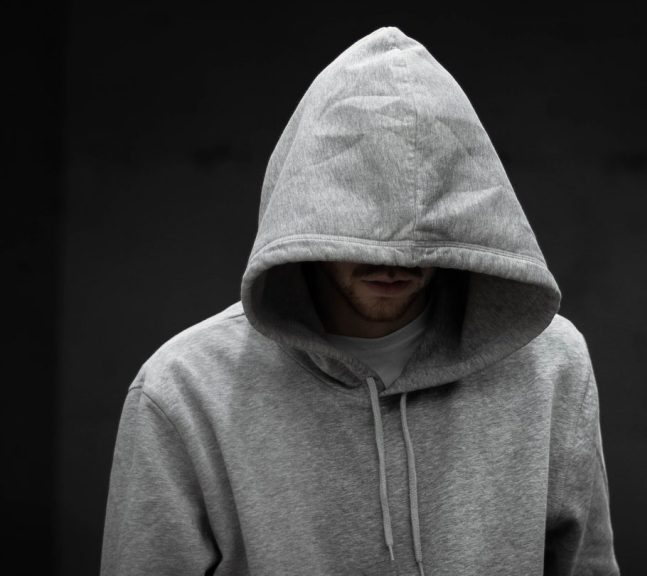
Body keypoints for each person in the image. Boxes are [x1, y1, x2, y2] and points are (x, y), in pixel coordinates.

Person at [101, 26, 619, 576]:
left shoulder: (549, 366)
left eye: (419, 229)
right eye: (360, 229)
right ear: (308, 212)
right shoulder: (184, 389)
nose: (391, 260)